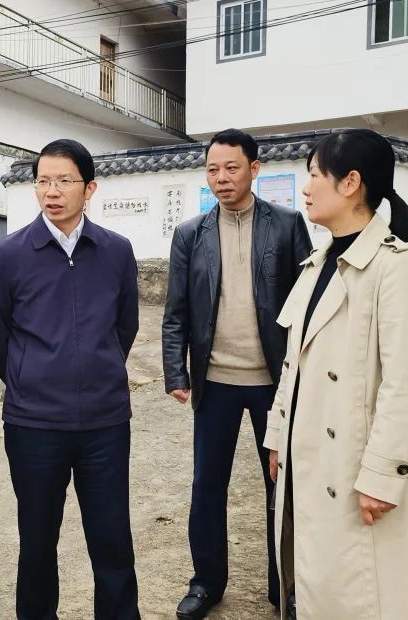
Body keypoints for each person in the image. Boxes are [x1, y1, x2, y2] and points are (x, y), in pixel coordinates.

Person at [264, 129, 408, 619]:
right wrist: (277, 435)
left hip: (358, 466)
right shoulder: (317, 264)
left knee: (367, 594)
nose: (306, 187)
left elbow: (405, 387)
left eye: (314, 175)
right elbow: (293, 364)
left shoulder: (398, 268)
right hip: (311, 457)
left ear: (350, 183)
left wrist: (381, 477)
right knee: (319, 583)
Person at [0, 139, 141, 620]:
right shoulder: (8, 253)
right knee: (37, 541)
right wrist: (29, 376)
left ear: (89, 188)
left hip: (105, 423)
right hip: (34, 424)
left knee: (112, 539)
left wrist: (99, 367)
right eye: (43, 181)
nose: (52, 191)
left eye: (64, 181)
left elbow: (125, 326)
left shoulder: (116, 251)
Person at [162, 128, 312, 619]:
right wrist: (175, 371)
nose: (221, 178)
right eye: (212, 169)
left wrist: (304, 373)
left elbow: (306, 305)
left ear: (254, 169)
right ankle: (206, 583)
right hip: (216, 382)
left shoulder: (287, 225)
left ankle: (285, 586)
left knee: (282, 487)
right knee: (207, 487)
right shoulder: (190, 234)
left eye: (231, 167)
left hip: (274, 382)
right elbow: (176, 311)